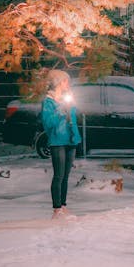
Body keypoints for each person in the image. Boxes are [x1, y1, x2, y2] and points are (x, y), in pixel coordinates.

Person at [40, 70, 81, 219]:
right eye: (65, 81)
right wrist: (60, 110)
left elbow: (73, 119)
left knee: (66, 176)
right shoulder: (48, 101)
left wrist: (76, 136)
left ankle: (63, 206)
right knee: (59, 175)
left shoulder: (66, 98)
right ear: (58, 82)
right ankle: (56, 210)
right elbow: (48, 123)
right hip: (57, 141)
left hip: (70, 140)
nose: (67, 84)